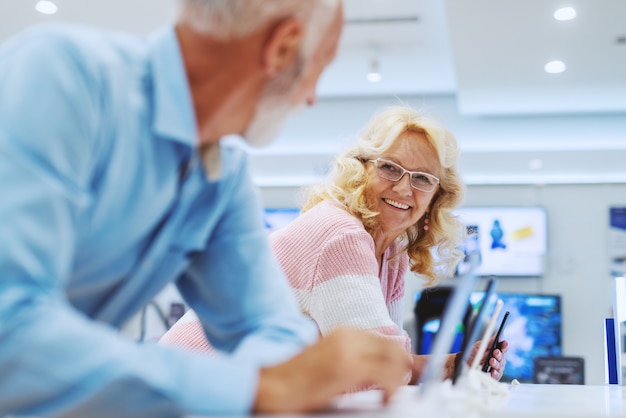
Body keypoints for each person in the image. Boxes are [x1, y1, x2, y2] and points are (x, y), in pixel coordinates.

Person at [0, 1, 415, 417]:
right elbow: (10, 327)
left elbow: (268, 325)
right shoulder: (62, 76)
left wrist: (289, 375)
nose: (311, 98)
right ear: (282, 47)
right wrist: (254, 387)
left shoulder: (221, 177)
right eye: (320, 66)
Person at [161, 105, 509, 384]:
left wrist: (453, 367)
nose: (404, 189)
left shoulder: (391, 253)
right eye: (390, 168)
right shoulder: (341, 234)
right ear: (361, 171)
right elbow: (376, 370)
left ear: (435, 198)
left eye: (422, 178)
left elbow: (383, 361)